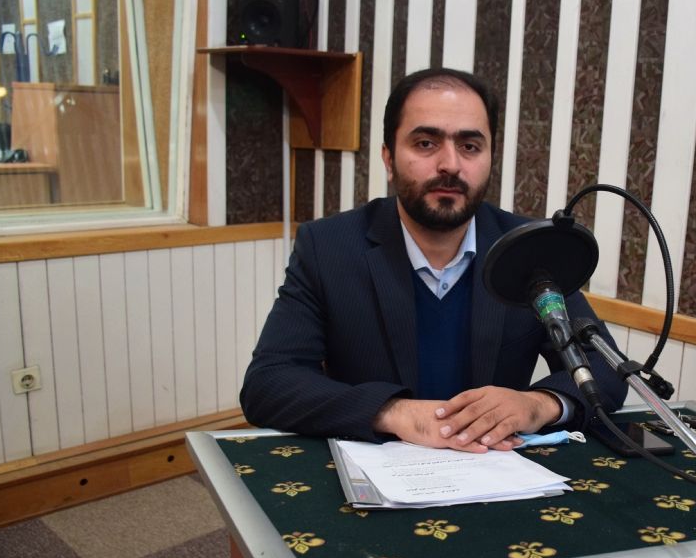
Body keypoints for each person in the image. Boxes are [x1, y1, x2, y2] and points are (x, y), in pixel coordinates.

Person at [240, 67, 627, 452]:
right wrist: (392, 412)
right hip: (376, 473)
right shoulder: (329, 247)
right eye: (426, 143)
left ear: (490, 158)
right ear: (388, 158)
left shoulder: (529, 248)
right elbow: (269, 383)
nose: (451, 165)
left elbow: (607, 370)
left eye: (470, 146)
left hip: (497, 469)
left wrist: (536, 404)